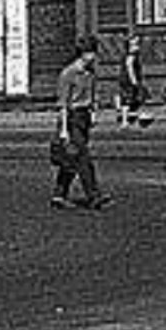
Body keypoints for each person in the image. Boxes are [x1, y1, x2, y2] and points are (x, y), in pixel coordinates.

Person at [52, 33, 110, 209]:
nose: (93, 57)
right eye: (90, 53)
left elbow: (91, 95)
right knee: (83, 157)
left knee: (72, 157)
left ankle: (59, 194)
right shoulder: (68, 74)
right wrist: (63, 130)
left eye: (94, 53)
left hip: (83, 116)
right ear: (83, 54)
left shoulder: (90, 72)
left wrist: (92, 112)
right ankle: (94, 195)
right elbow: (63, 104)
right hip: (72, 118)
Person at [116, 34, 152, 127]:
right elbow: (129, 67)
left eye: (138, 44)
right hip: (128, 82)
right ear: (129, 46)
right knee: (127, 101)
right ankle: (124, 121)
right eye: (135, 45)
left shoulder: (133, 55)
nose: (137, 47)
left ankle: (131, 117)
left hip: (127, 81)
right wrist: (134, 81)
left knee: (133, 100)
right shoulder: (131, 56)